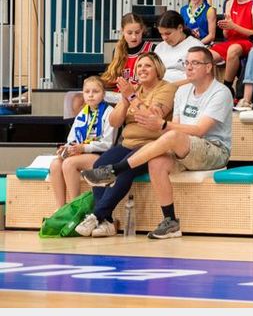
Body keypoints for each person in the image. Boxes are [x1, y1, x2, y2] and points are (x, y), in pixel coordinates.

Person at [82, 45, 233, 240]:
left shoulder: (220, 92)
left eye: (195, 63)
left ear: (209, 67)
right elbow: (172, 125)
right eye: (186, 63)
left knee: (169, 137)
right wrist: (134, 104)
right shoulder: (183, 92)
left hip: (213, 149)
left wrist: (161, 124)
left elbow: (199, 130)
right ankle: (170, 221)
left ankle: (115, 170)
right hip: (181, 147)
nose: (189, 67)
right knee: (156, 161)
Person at [72, 53, 174, 238]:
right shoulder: (134, 90)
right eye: (139, 66)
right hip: (128, 144)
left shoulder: (166, 88)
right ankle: (107, 222)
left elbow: (154, 117)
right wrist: (126, 100)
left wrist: (131, 96)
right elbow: (114, 122)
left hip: (151, 145)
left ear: (158, 69)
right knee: (99, 165)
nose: (142, 69)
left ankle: (97, 216)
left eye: (147, 66)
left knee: (126, 168)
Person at [51, 76, 115, 207]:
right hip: (82, 153)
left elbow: (108, 144)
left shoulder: (110, 112)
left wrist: (83, 148)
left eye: (95, 91)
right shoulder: (82, 114)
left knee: (69, 164)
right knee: (55, 164)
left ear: (103, 94)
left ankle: (76, 207)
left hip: (101, 155)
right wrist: (67, 148)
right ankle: (60, 208)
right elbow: (72, 139)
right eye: (87, 92)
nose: (90, 95)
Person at [209, 0, 253, 89]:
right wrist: (226, 28)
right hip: (231, 42)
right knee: (205, 56)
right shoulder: (229, 4)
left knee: (233, 50)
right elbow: (226, 36)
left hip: (248, 42)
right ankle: (209, 88)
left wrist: (234, 26)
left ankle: (227, 86)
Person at [153, 10, 207, 84]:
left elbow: (200, 77)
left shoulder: (196, 47)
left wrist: (172, 86)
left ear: (180, 28)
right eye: (161, 34)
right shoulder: (159, 47)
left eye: (168, 33)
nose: (164, 38)